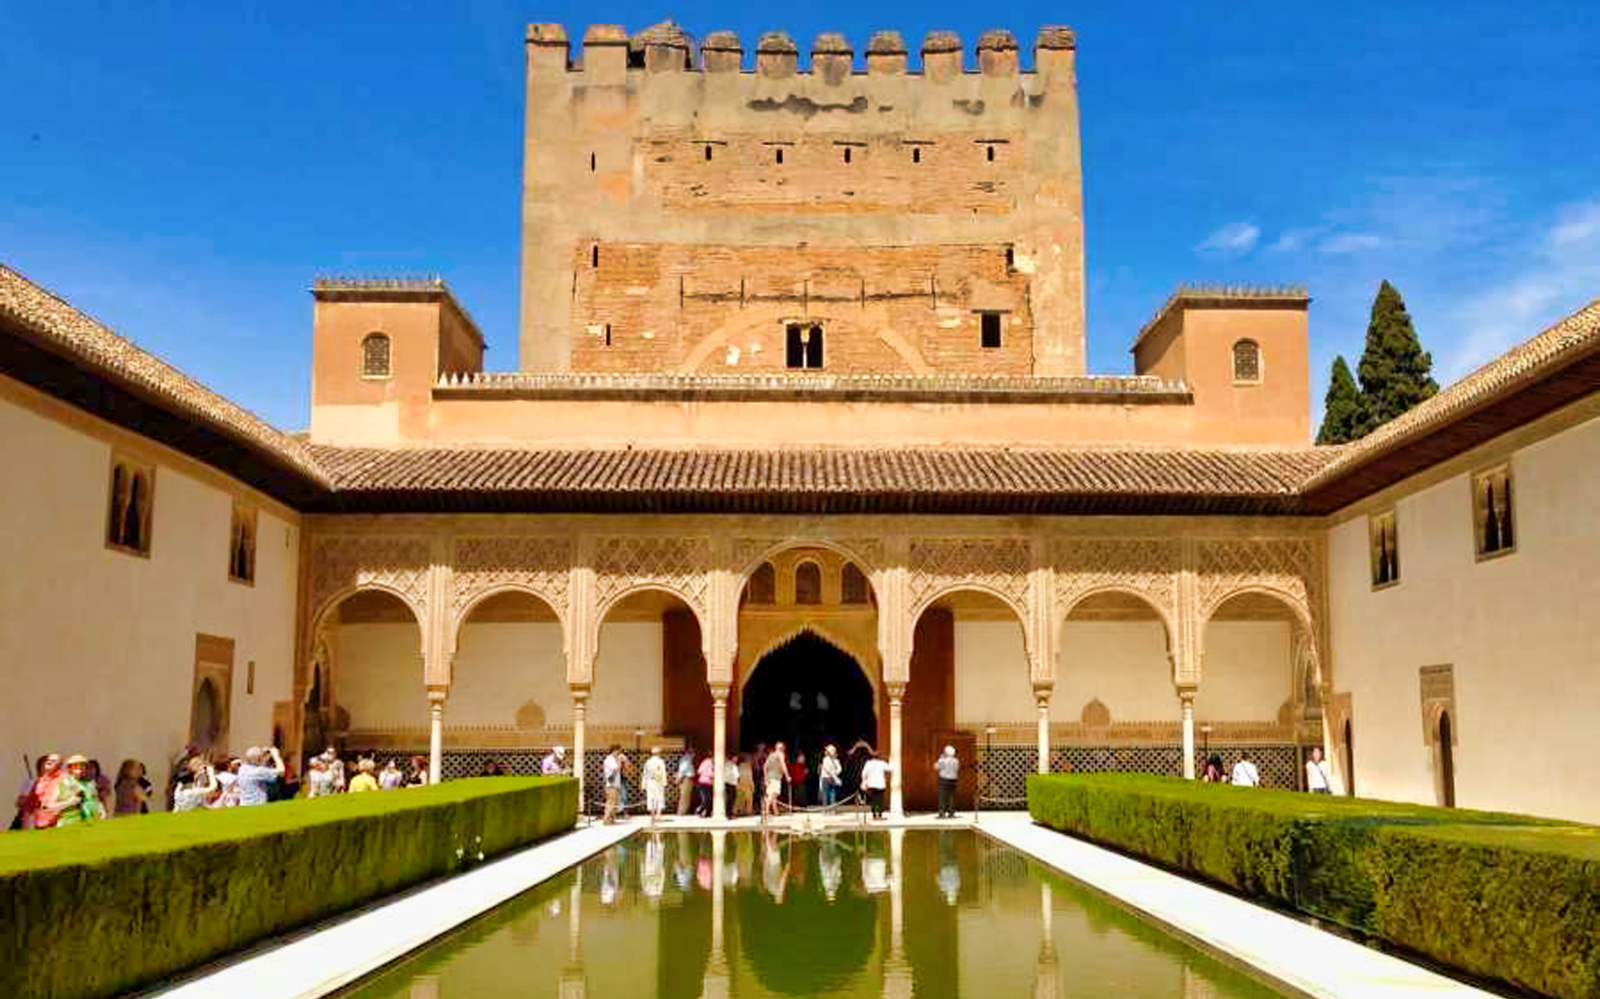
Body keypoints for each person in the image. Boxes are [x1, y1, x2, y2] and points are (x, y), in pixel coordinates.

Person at [55, 755, 104, 825]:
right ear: (70, 768)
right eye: (76, 766)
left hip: (89, 819)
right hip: (71, 819)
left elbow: (95, 798)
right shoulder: (63, 782)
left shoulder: (89, 783)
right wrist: (70, 802)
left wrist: (100, 808)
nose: (80, 768)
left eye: (82, 766)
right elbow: (53, 804)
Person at [28, 754, 66, 829]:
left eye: (54, 761)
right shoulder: (40, 780)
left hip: (56, 820)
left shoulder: (63, 779)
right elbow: (31, 802)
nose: (49, 761)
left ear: (59, 765)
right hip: (40, 820)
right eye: (48, 760)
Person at [762, 742, 788, 820]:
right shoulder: (780, 755)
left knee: (773, 795)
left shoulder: (771, 755)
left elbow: (765, 766)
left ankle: (775, 811)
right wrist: (787, 776)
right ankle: (766, 812)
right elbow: (783, 765)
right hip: (775, 777)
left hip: (770, 777)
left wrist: (765, 777)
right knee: (772, 795)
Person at [860, 750, 890, 820]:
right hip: (880, 784)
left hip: (871, 784)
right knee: (880, 801)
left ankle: (874, 815)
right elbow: (890, 768)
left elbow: (864, 773)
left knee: (873, 801)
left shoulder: (868, 763)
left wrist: (864, 781)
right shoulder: (882, 763)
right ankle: (879, 815)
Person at [643, 747, 668, 820]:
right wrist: (664, 782)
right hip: (658, 781)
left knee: (651, 797)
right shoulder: (660, 761)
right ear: (659, 753)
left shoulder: (648, 762)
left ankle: (652, 814)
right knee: (659, 797)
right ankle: (658, 814)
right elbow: (663, 772)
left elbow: (645, 773)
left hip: (649, 781)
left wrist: (644, 784)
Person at [935, 745, 960, 818]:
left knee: (942, 797)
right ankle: (951, 813)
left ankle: (942, 813)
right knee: (952, 797)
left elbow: (936, 767)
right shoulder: (956, 761)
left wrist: (940, 759)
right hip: (953, 780)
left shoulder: (942, 760)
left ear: (945, 752)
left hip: (944, 780)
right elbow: (956, 769)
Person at [602, 746, 623, 823]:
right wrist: (619, 761)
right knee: (611, 802)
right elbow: (615, 768)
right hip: (611, 784)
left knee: (615, 802)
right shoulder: (609, 760)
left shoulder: (613, 759)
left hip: (616, 784)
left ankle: (612, 818)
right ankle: (606, 818)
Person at [675, 747, 696, 815]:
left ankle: (684, 811)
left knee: (686, 796)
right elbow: (683, 770)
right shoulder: (686, 759)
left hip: (687, 778)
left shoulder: (689, 759)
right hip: (686, 778)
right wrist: (678, 778)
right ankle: (681, 811)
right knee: (684, 795)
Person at [695, 751, 716, 817]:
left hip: (707, 783)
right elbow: (702, 772)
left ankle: (707, 813)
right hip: (704, 782)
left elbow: (699, 771)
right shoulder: (708, 763)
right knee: (706, 799)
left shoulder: (708, 763)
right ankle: (700, 810)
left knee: (708, 799)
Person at [724, 753, 739, 818]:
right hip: (732, 783)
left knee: (728, 799)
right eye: (735, 758)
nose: (736, 760)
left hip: (726, 782)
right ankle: (729, 814)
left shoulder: (726, 764)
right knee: (731, 799)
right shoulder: (733, 765)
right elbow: (737, 775)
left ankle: (728, 813)